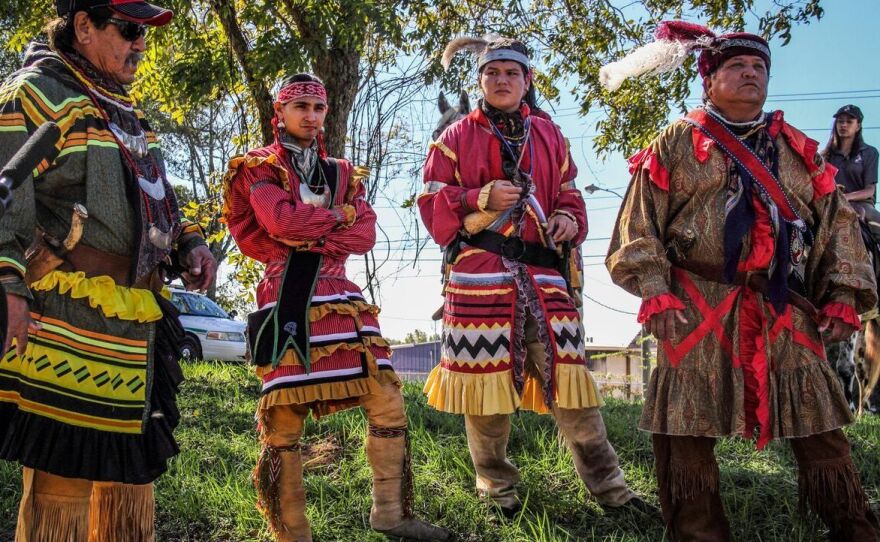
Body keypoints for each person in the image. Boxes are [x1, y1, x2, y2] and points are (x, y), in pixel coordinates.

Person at [602, 21, 880, 541]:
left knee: (821, 425)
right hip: (694, 304)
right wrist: (654, 288)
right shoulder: (676, 141)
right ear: (709, 81)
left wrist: (842, 293)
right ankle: (699, 533)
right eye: (737, 66)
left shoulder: (796, 148)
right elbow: (638, 223)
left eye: (759, 67)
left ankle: (856, 529)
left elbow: (836, 221)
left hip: (783, 305)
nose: (751, 74)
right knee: (686, 429)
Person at [0, 1, 217, 540]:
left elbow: (157, 196)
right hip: (66, 319)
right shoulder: (35, 93)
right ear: (83, 27)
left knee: (129, 484)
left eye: (144, 31)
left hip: (132, 325)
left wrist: (189, 243)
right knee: (62, 483)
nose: (141, 43)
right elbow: (4, 203)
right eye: (128, 29)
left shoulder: (123, 110)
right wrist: (8, 286)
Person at [418, 36, 648, 518]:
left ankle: (613, 492)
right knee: (484, 397)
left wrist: (568, 219)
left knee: (573, 387)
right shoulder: (454, 137)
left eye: (511, 73)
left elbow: (570, 196)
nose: (501, 80)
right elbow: (430, 205)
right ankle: (496, 491)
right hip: (479, 275)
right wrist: (478, 198)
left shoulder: (551, 136)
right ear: (479, 80)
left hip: (545, 279)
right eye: (492, 73)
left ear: (528, 81)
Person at [222, 73, 449, 542]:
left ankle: (391, 513)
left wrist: (314, 227)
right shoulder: (257, 166)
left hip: (341, 293)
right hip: (286, 292)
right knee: (283, 419)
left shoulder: (343, 172)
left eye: (318, 107)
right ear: (280, 113)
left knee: (386, 396)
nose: (310, 115)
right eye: (300, 106)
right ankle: (292, 533)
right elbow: (279, 222)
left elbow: (364, 235)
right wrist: (338, 217)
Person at [823, 104, 880, 242]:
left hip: (862, 204)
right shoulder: (825, 156)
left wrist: (846, 197)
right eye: (840, 121)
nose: (844, 125)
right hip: (830, 204)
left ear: (858, 126)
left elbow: (869, 190)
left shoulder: (869, 153)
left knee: (877, 224)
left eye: (849, 122)